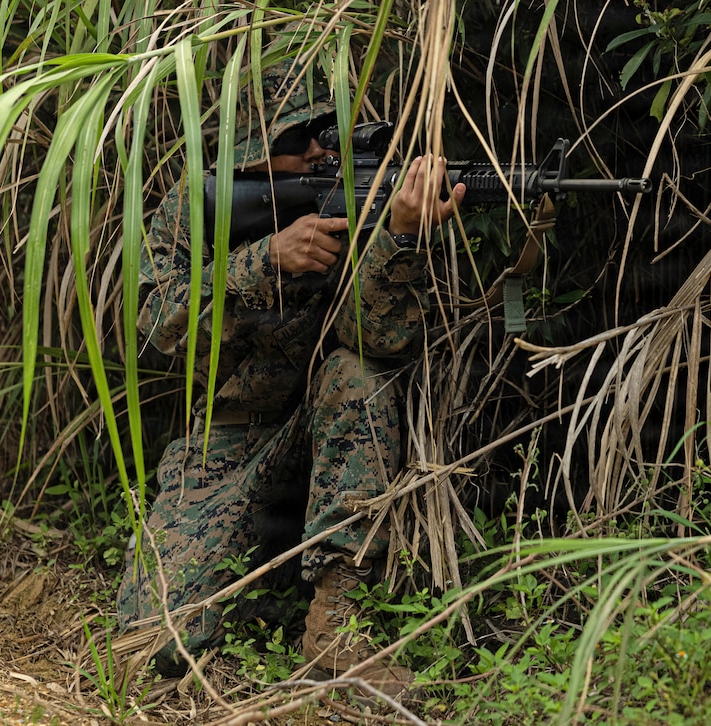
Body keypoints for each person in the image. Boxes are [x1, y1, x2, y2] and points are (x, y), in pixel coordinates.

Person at [117, 46, 465, 696]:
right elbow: (156, 322)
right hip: (232, 434)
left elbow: (378, 341)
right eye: (297, 136)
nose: (316, 152)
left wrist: (401, 236)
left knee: (356, 376)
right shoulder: (203, 203)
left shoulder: (364, 195)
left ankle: (336, 624)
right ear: (253, 145)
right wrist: (264, 259)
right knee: (152, 649)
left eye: (324, 133)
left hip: (333, 419)